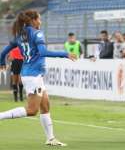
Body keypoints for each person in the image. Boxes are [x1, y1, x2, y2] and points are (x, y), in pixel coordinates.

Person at [0, 10, 77, 146]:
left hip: (32, 75)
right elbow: (43, 52)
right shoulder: (37, 33)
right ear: (33, 20)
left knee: (45, 105)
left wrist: (1, 62)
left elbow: (3, 52)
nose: (40, 22)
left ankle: (51, 138)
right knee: (31, 110)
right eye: (39, 19)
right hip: (33, 76)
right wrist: (64, 54)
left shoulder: (20, 35)